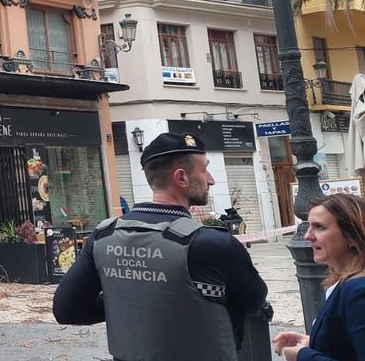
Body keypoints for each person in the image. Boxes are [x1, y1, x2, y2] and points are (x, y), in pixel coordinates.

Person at [53, 132, 269, 361]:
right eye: (204, 170)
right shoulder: (213, 243)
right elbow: (254, 300)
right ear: (181, 178)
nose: (211, 179)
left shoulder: (103, 235)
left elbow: (67, 309)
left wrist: (130, 301)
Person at [272, 193, 365, 361]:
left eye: (319, 227)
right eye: (308, 226)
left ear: (352, 236)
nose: (308, 236)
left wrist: (303, 356)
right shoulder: (344, 282)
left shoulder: (357, 290)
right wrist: (311, 341)